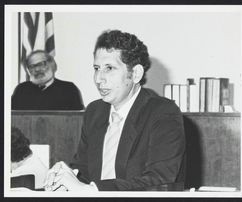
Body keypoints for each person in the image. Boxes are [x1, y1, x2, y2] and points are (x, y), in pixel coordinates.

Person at [44, 30, 186, 191]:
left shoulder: (162, 113)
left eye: (109, 68)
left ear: (136, 74)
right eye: (96, 68)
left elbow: (159, 180)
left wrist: (92, 190)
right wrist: (65, 177)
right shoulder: (95, 111)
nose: (98, 79)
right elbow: (83, 169)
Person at [11, 50, 84, 110]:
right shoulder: (21, 90)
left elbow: (78, 119)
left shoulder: (69, 89)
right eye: (32, 66)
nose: (37, 69)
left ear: (52, 65)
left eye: (41, 64)